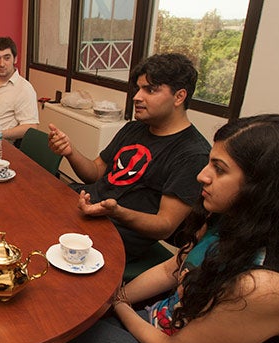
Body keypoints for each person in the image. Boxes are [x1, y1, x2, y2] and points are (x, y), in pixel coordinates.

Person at [70, 114, 279, 343]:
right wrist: (114, 299)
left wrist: (117, 304)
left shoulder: (265, 287)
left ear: (265, 187)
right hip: (162, 320)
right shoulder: (229, 216)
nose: (201, 176)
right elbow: (173, 267)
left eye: (219, 169)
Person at [48, 53, 211, 261]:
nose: (137, 97)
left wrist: (117, 211)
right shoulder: (134, 128)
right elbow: (96, 173)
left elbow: (165, 225)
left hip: (116, 232)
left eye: (150, 90)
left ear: (179, 97)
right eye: (139, 88)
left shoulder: (192, 154)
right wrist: (70, 151)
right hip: (87, 207)